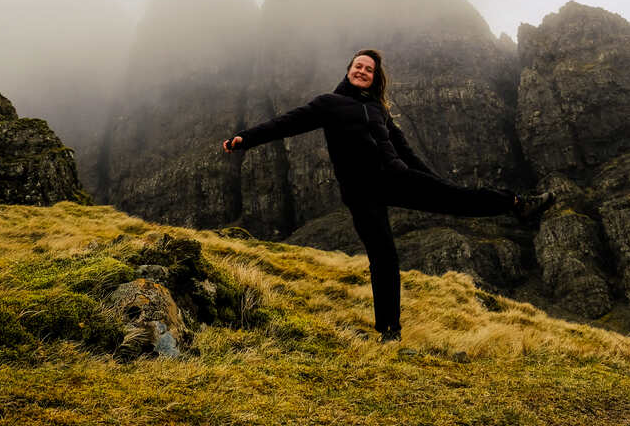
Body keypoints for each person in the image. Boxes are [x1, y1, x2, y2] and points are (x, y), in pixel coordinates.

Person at [222, 48, 554, 343]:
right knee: (384, 256)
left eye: (368, 69)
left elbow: (405, 150)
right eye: (357, 66)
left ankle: (517, 205)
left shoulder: (380, 112)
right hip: (360, 189)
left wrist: (431, 180)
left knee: (457, 197)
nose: (362, 71)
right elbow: (286, 124)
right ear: (348, 70)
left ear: (374, 77)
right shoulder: (329, 104)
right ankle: (389, 333)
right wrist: (245, 138)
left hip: (395, 177)